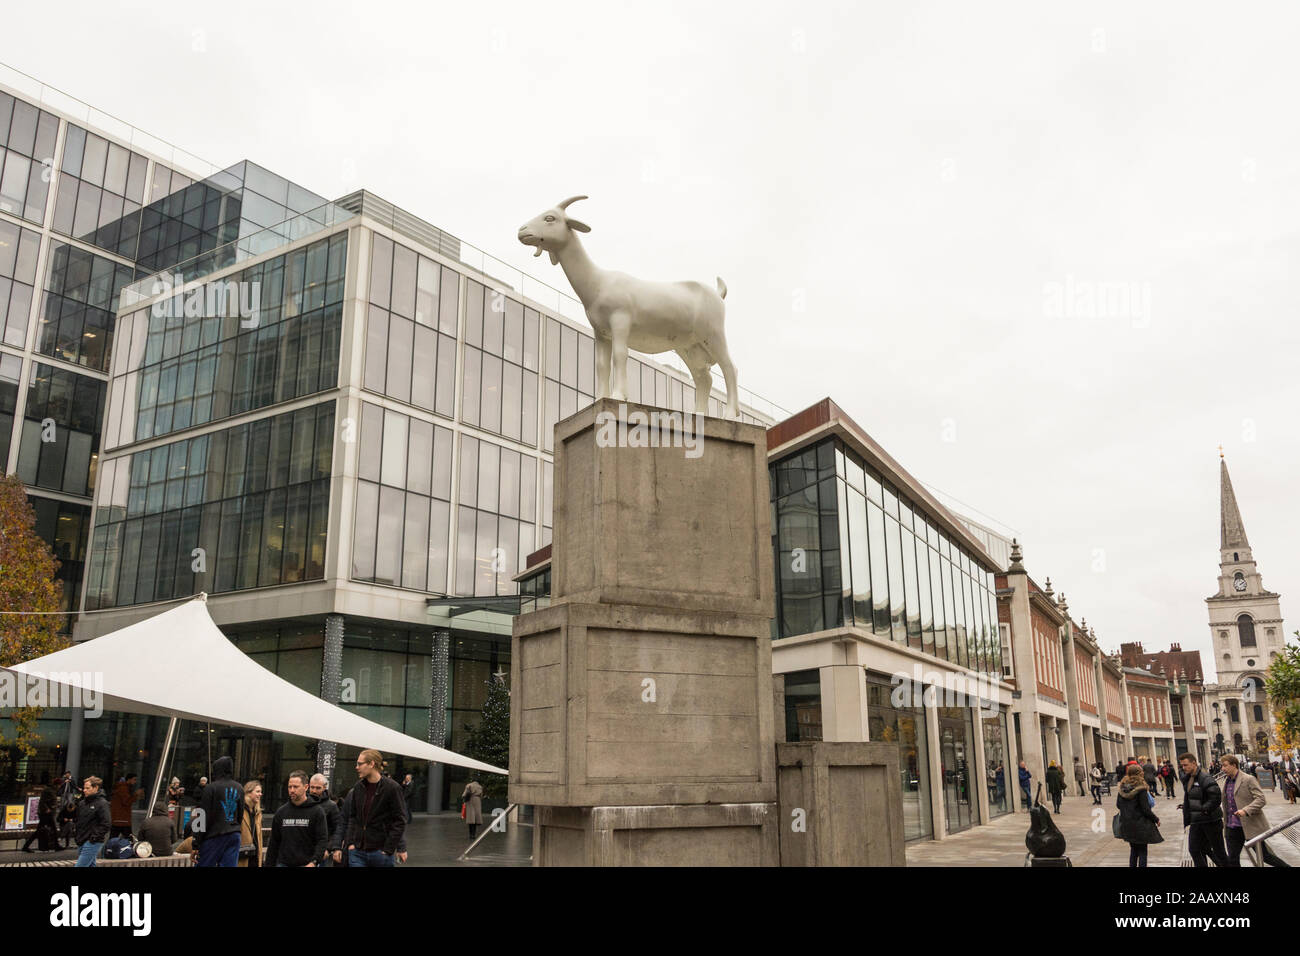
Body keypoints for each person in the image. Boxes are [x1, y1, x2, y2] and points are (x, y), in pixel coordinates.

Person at [335, 750, 407, 867]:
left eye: (360, 764)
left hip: (380, 852)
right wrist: (351, 844)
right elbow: (353, 817)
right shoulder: (358, 787)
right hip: (357, 852)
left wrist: (388, 849)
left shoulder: (392, 788)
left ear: (371, 764)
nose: (356, 767)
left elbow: (399, 821)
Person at [1220, 754, 1288, 868]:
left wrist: (1246, 810)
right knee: (1232, 859)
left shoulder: (1248, 779)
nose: (1222, 769)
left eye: (1225, 766)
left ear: (1234, 765)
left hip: (1249, 825)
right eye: (1222, 766)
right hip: (1232, 826)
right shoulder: (1226, 781)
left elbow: (1261, 799)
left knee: (1265, 856)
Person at [266, 771, 327, 868]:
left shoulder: (317, 812)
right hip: (283, 863)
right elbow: (274, 842)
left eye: (295, 787)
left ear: (306, 787)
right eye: (290, 787)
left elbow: (322, 840)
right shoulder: (281, 812)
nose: (292, 790)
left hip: (307, 863)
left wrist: (314, 862)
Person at [1178, 752, 1229, 868]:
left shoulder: (1204, 778)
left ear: (1194, 763)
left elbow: (1216, 797)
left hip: (1210, 820)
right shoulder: (1189, 778)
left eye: (1186, 765)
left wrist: (1204, 809)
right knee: (1195, 849)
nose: (1183, 768)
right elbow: (1193, 796)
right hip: (1197, 820)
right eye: (1182, 766)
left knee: (1218, 851)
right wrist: (1187, 806)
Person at [193, 756, 244, 867]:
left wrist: (195, 844)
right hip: (234, 833)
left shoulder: (210, 788)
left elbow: (202, 817)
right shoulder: (239, 788)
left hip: (214, 835)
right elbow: (240, 815)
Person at [1116, 763, 1163, 867]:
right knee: (1142, 851)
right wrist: (1156, 819)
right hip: (1140, 824)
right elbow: (1146, 809)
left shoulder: (1122, 788)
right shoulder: (1141, 789)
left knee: (1133, 850)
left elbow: (1118, 805)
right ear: (1140, 774)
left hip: (1127, 823)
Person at [74, 776, 111, 867]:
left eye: (87, 788)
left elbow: (106, 823)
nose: (84, 790)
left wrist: (94, 838)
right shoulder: (82, 803)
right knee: (90, 865)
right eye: (84, 788)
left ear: (96, 788)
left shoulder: (102, 803)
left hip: (92, 841)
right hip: (81, 840)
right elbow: (78, 820)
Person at [307, 774, 342, 867]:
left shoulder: (331, 806)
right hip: (305, 849)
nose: (314, 791)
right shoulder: (304, 803)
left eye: (318, 788)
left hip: (323, 851)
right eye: (312, 787)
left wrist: (328, 848)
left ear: (324, 787)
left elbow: (337, 829)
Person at [21, 787, 60, 852]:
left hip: (45, 813)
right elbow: (43, 801)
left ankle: (25, 846)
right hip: (45, 814)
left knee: (39, 831)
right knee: (53, 829)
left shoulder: (49, 790)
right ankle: (56, 846)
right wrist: (47, 809)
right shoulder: (48, 790)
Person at [238, 780, 264, 868]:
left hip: (255, 857)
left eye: (261, 792)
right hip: (242, 857)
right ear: (248, 792)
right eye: (257, 791)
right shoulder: (239, 810)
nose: (260, 794)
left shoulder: (258, 813)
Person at [109, 773, 143, 839]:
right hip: (122, 819)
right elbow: (127, 802)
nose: (135, 782)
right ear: (129, 779)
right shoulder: (123, 788)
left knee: (113, 838)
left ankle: (109, 849)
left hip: (119, 819)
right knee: (129, 839)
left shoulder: (123, 788)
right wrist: (136, 795)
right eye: (134, 780)